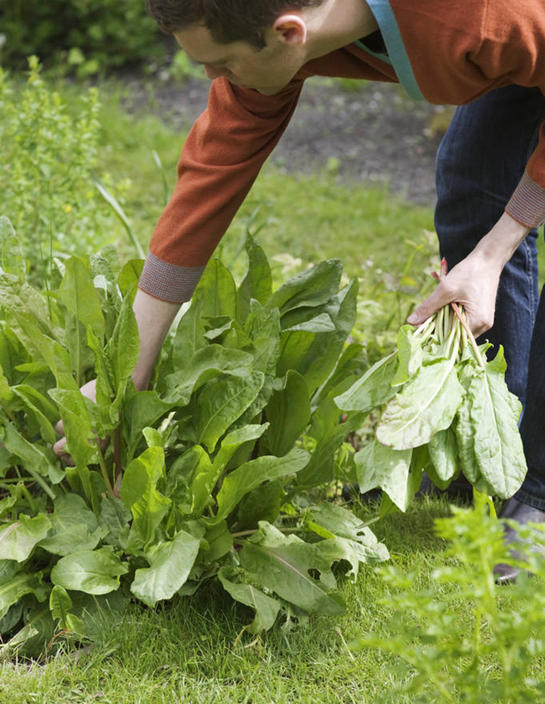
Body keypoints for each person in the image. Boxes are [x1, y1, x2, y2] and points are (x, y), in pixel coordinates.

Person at [54, 0, 545, 578]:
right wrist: (132, 364)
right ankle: (491, 454)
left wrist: (492, 255)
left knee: (503, 220)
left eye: (223, 64)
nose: (215, 80)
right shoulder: (282, 34)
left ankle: (539, 490)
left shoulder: (481, 16)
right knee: (473, 186)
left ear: (289, 33)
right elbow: (213, 173)